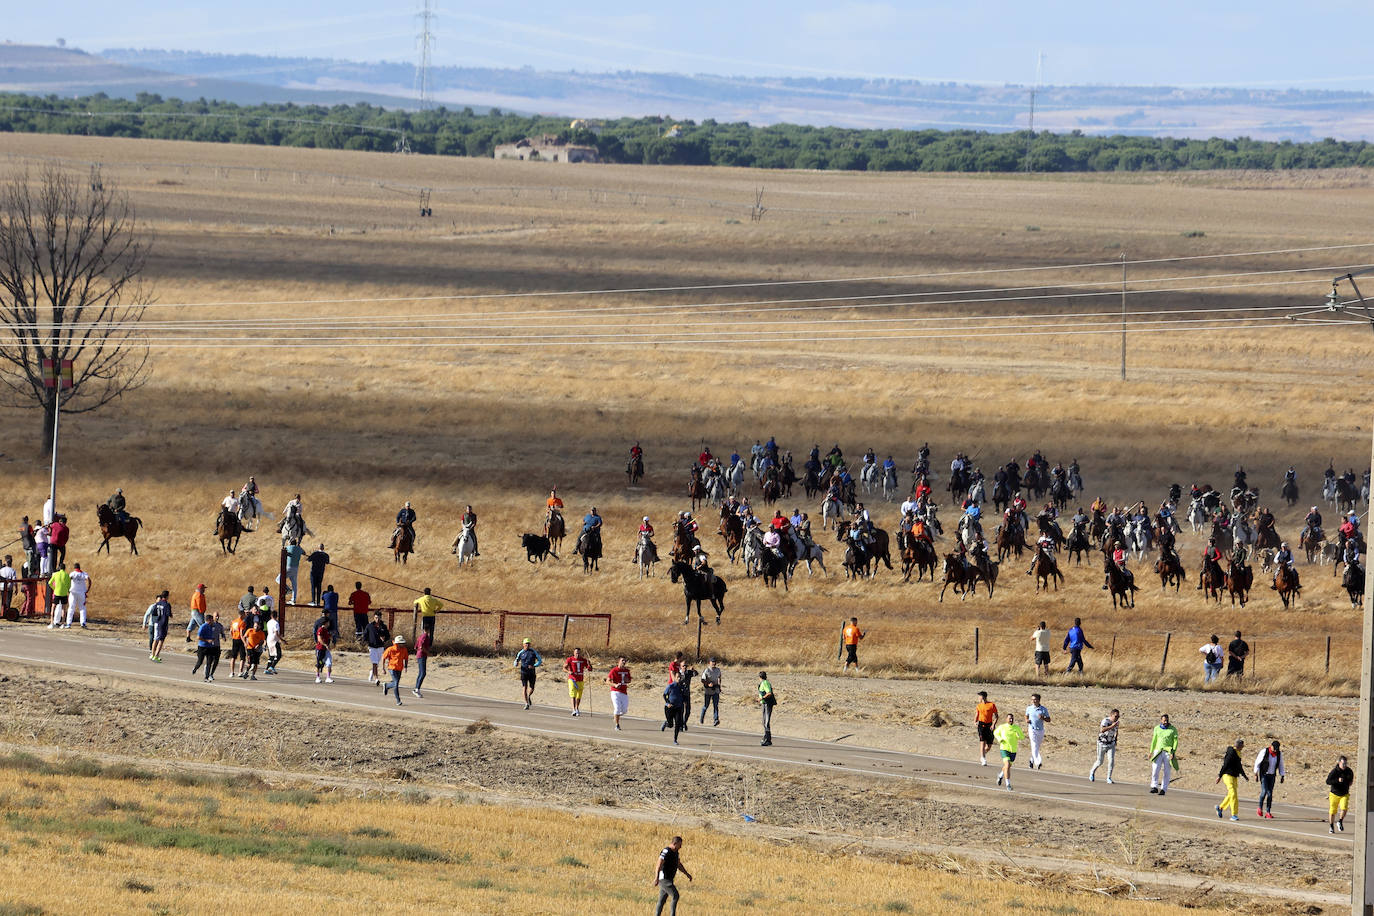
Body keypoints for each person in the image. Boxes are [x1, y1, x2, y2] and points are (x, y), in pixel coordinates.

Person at [653, 836, 693, 916]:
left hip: (669, 879)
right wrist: (656, 877)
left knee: (662, 901)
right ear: (675, 843)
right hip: (664, 879)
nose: (681, 847)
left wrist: (687, 874)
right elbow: (659, 864)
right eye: (680, 845)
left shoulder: (676, 853)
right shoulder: (666, 851)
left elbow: (678, 865)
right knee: (675, 895)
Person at [1214, 738, 1249, 822]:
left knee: (1232, 795)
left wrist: (1244, 776)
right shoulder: (1231, 753)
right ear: (1239, 746)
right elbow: (1225, 765)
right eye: (1242, 746)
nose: (1243, 747)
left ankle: (1220, 807)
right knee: (1233, 794)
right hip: (1227, 775)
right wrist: (1220, 776)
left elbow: (1239, 766)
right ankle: (1234, 815)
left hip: (1234, 776)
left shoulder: (1238, 753)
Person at [993, 712, 1026, 791]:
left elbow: (1022, 737)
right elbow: (995, 733)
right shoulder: (1002, 727)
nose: (1011, 720)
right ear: (1006, 719)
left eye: (1012, 718)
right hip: (1004, 748)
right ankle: (1008, 784)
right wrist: (1000, 739)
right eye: (1009, 718)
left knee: (1007, 767)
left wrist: (1018, 735)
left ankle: (1000, 776)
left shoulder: (1016, 727)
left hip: (1013, 750)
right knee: (1007, 765)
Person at [1253, 739, 1285, 819]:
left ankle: (1268, 812)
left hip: (1272, 775)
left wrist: (1282, 775)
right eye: (1274, 748)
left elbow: (1281, 765)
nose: (1275, 750)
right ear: (1271, 746)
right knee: (1264, 792)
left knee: (1270, 794)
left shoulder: (1278, 754)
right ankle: (1260, 808)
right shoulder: (1265, 751)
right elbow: (1257, 762)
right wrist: (1256, 773)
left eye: (1277, 749)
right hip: (1264, 774)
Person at [1149, 713, 1179, 795]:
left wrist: (1173, 752)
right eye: (1164, 720)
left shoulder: (1173, 729)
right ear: (1161, 720)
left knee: (1167, 771)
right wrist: (1151, 751)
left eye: (1167, 720)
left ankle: (1163, 789)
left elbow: (1175, 741)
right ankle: (1154, 786)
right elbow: (1154, 740)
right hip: (1158, 751)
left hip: (1168, 752)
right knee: (1155, 769)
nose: (1165, 722)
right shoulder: (1157, 728)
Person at [1089, 708, 1120, 784]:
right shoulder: (1105, 721)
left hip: (1111, 744)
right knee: (1100, 761)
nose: (1117, 718)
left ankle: (1109, 778)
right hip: (1102, 743)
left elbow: (1116, 731)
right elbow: (1102, 730)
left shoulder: (1116, 723)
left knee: (1111, 760)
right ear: (1111, 715)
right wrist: (1112, 726)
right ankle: (1092, 772)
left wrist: (1115, 739)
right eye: (1116, 716)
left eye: (1118, 716)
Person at [191, 612, 225, 682]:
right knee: (200, 662)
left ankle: (206, 677)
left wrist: (213, 639)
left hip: (210, 647)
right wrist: (207, 640)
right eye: (212, 620)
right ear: (209, 620)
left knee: (209, 662)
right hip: (202, 647)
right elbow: (198, 637)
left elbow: (216, 633)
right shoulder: (203, 627)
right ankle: (195, 668)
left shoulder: (212, 626)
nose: (213, 621)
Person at [1327, 755, 1354, 833]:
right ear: (1339, 763)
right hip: (1334, 794)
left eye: (1346, 764)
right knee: (1332, 811)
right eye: (1343, 764)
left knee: (1344, 808)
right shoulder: (1334, 771)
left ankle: (1340, 821)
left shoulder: (1349, 771)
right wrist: (1337, 780)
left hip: (1344, 794)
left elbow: (1350, 780)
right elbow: (1328, 781)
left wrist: (1349, 783)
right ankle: (1331, 826)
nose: (1344, 765)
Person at [363, 611, 391, 684]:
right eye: (376, 618)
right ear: (374, 618)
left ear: (381, 618)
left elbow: (388, 636)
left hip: (380, 647)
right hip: (372, 647)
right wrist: (367, 643)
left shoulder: (383, 626)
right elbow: (365, 636)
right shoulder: (369, 626)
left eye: (379, 618)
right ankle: (376, 679)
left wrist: (384, 638)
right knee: (374, 663)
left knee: (377, 663)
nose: (377, 619)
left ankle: (372, 672)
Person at [380, 635, 409, 705]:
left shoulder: (404, 649)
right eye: (401, 643)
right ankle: (398, 700)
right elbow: (383, 657)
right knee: (396, 684)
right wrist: (383, 668)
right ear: (397, 643)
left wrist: (405, 667)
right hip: (392, 668)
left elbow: (406, 658)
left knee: (396, 683)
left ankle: (387, 686)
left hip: (399, 668)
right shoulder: (390, 649)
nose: (402, 644)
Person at [1024, 694, 1050, 770]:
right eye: (1032, 699)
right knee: (1034, 744)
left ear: (1039, 700)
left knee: (1036, 747)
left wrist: (1043, 718)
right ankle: (1038, 762)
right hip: (1032, 729)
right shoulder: (1029, 708)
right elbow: (1026, 715)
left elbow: (1049, 719)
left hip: (1040, 730)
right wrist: (1027, 720)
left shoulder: (1043, 709)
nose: (1033, 701)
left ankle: (1031, 760)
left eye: (1035, 699)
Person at [515, 638, 543, 709]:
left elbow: (540, 660)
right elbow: (516, 660)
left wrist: (534, 666)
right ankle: (526, 703)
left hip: (532, 672)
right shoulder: (521, 652)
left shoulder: (533, 652)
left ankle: (528, 696)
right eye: (526, 643)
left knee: (532, 687)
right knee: (525, 688)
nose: (527, 645)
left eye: (528, 643)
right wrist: (516, 663)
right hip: (524, 672)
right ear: (523, 644)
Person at [144, 590, 172, 662]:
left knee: (155, 639)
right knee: (161, 640)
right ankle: (156, 655)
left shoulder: (157, 604)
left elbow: (153, 613)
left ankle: (152, 655)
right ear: (167, 596)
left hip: (156, 623)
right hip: (163, 623)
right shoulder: (167, 604)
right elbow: (169, 614)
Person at [564, 647, 592, 717]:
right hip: (572, 679)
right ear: (574, 653)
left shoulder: (583, 660)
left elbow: (590, 669)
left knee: (579, 696)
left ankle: (577, 708)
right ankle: (573, 709)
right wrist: (569, 671)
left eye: (579, 653)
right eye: (576, 653)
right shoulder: (570, 659)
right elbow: (564, 668)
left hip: (580, 680)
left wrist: (589, 664)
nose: (577, 654)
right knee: (573, 694)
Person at [607, 657, 631, 730]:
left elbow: (629, 680)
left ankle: (616, 716)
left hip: (624, 692)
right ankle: (617, 725)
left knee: (624, 710)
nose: (624, 662)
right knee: (617, 708)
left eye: (625, 661)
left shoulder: (627, 670)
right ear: (619, 661)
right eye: (622, 660)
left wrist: (627, 680)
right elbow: (607, 681)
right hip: (615, 692)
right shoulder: (614, 670)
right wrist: (615, 685)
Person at [975, 690, 998, 765]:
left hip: (989, 725)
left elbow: (996, 716)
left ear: (983, 697)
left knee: (989, 745)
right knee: (982, 742)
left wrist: (993, 724)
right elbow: (977, 714)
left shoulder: (991, 705)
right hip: (981, 725)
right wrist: (975, 721)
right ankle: (983, 758)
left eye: (980, 696)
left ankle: (983, 754)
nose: (978, 697)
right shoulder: (979, 705)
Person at [662, 674, 687, 744]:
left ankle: (675, 740)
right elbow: (664, 695)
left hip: (678, 708)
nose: (679, 679)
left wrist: (685, 702)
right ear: (675, 678)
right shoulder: (671, 686)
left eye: (680, 677)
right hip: (670, 707)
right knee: (671, 725)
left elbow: (684, 696)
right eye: (677, 677)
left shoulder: (682, 687)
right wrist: (668, 703)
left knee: (677, 724)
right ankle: (666, 723)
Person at [46, 563, 70, 630]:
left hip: (57, 592)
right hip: (64, 593)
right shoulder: (67, 575)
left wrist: (54, 588)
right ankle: (62, 624)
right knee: (63, 609)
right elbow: (69, 585)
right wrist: (66, 589)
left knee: (53, 607)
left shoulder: (56, 574)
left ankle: (52, 623)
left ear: (59, 568)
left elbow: (50, 582)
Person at [699, 657, 722, 726]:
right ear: (709, 663)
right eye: (712, 662)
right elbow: (702, 680)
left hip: (716, 690)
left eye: (714, 662)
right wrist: (708, 684)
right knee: (706, 705)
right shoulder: (706, 670)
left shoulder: (718, 670)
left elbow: (719, 677)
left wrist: (719, 686)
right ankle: (702, 717)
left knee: (716, 705)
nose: (713, 663)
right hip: (708, 690)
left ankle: (716, 719)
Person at [227, 609, 248, 677]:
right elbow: (242, 634)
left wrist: (233, 636)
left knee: (233, 656)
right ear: (242, 614)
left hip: (234, 639)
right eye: (244, 614)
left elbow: (230, 631)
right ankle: (240, 671)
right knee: (242, 657)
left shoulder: (234, 621)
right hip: (240, 640)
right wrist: (244, 642)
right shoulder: (242, 622)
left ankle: (232, 672)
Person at [757, 671, 776, 746]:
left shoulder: (765, 683)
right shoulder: (763, 683)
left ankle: (768, 739)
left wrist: (761, 698)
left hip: (768, 704)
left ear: (760, 677)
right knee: (764, 721)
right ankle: (767, 737)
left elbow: (769, 693)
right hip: (764, 703)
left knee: (766, 722)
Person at [282, 539, 305, 604]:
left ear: (290, 543)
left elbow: (284, 550)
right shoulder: (299, 549)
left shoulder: (288, 547)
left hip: (288, 567)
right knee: (294, 584)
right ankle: (293, 600)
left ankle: (288, 589)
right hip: (296, 568)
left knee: (279, 579)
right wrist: (299, 547)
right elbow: (304, 553)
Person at [314, 616, 334, 684]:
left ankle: (328, 677)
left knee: (329, 663)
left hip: (326, 650)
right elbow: (319, 639)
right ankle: (317, 677)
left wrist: (330, 639)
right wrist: (325, 645)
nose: (329, 623)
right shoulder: (320, 629)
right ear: (326, 623)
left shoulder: (326, 630)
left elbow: (328, 638)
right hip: (320, 649)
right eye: (328, 622)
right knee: (319, 664)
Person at [412, 627, 432, 699]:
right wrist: (428, 653)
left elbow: (415, 647)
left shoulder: (420, 636)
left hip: (420, 655)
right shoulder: (425, 636)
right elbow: (421, 647)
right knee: (423, 673)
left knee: (421, 672)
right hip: (422, 655)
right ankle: (417, 689)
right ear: (428, 630)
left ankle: (416, 688)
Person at [263, 609, 282, 675]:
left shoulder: (269, 622)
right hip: (274, 639)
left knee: (271, 655)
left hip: (269, 638)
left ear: (271, 616)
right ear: (277, 616)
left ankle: (267, 669)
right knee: (278, 654)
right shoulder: (276, 623)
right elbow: (276, 633)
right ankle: (272, 667)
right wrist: (282, 640)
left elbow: (268, 631)